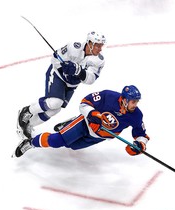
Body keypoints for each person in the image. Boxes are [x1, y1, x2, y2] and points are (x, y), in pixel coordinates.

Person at [12, 85, 150, 158]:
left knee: (72, 146)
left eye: (137, 102)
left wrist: (140, 145)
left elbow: (141, 134)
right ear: (124, 99)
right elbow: (85, 103)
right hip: (85, 124)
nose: (135, 104)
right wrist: (92, 113)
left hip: (99, 137)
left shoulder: (136, 115)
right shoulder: (108, 96)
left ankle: (67, 124)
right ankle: (30, 143)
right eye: (133, 101)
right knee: (57, 141)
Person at [17, 31, 106, 139]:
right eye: (97, 45)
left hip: (71, 85)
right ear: (90, 43)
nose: (100, 49)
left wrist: (78, 71)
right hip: (57, 75)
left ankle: (29, 124)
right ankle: (27, 111)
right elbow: (55, 58)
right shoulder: (73, 47)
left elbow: (91, 79)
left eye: (101, 45)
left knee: (56, 109)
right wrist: (63, 67)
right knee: (55, 102)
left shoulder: (99, 61)